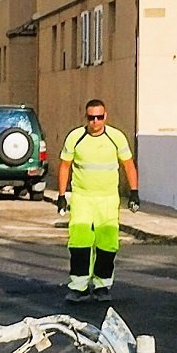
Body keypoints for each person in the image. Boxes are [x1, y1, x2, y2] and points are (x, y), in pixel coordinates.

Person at [54, 98, 140, 303]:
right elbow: (65, 166)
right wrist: (61, 195)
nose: (95, 122)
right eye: (91, 117)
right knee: (79, 242)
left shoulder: (116, 138)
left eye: (99, 117)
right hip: (82, 197)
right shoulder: (76, 137)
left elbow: (128, 165)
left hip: (108, 199)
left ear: (105, 117)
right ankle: (79, 286)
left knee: (107, 243)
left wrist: (134, 192)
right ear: (86, 117)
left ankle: (102, 286)